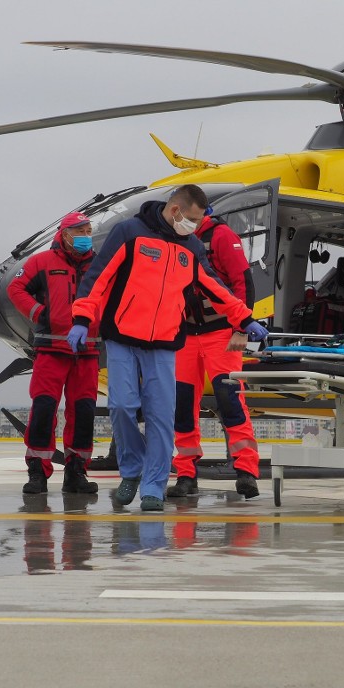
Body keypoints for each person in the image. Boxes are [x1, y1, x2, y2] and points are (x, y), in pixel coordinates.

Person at [69, 185, 269, 512]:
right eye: (191, 218)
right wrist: (82, 315)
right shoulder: (129, 232)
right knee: (122, 406)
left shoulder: (191, 246)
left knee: (164, 416)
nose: (194, 225)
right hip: (122, 335)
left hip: (166, 341)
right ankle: (132, 470)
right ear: (175, 210)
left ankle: (154, 484)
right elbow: (97, 277)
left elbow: (215, 286)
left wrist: (244, 320)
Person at [167, 214, 261, 499]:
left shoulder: (220, 236)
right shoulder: (169, 240)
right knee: (183, 404)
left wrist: (241, 328)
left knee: (229, 397)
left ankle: (246, 471)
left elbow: (243, 281)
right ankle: (186, 474)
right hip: (184, 335)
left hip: (221, 333)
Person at [7, 212, 101, 495]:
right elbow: (16, 287)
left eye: (88, 229)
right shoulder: (41, 262)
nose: (86, 234)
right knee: (44, 408)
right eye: (80, 230)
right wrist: (38, 313)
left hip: (87, 350)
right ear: (65, 233)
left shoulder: (99, 266)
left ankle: (76, 473)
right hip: (50, 349)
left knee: (83, 412)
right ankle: (37, 471)